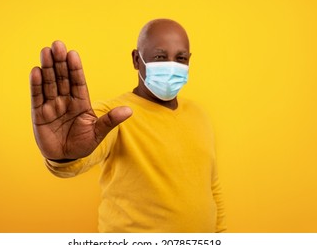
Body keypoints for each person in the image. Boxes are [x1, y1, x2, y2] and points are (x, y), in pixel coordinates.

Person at [29, 19, 226, 232]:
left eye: (180, 58)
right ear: (136, 59)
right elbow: (79, 155)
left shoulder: (199, 115)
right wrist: (64, 156)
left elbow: (211, 188)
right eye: (160, 57)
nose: (171, 66)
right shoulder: (112, 115)